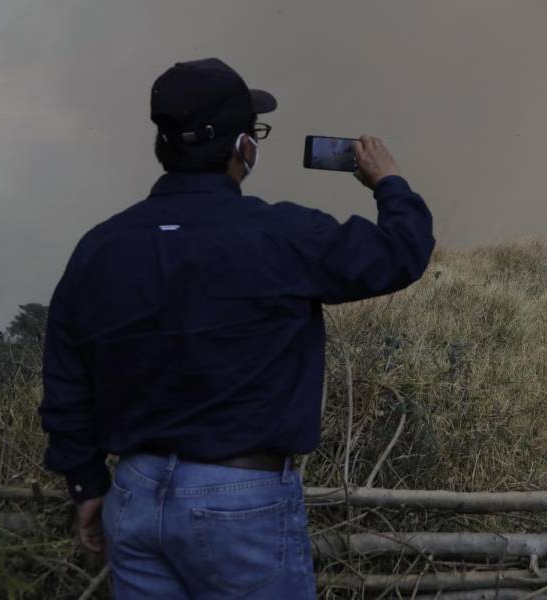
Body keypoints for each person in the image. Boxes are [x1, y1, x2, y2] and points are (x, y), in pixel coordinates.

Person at [38, 58, 435, 597]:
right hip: (240, 503)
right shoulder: (282, 235)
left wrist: (86, 482)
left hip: (133, 495)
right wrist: (388, 181)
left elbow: (64, 375)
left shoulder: (100, 247)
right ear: (244, 148)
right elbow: (401, 254)